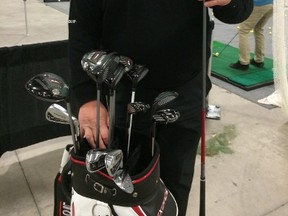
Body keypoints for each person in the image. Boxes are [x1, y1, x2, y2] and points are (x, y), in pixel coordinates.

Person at [68, 0, 253, 215]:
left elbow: (240, 9)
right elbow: (81, 28)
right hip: (118, 94)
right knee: (119, 200)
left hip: (184, 92)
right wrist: (87, 97)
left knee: (174, 192)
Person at [230, 0, 273, 71]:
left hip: (258, 5)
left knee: (244, 30)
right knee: (259, 29)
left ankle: (243, 62)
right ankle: (259, 60)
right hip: (271, 5)